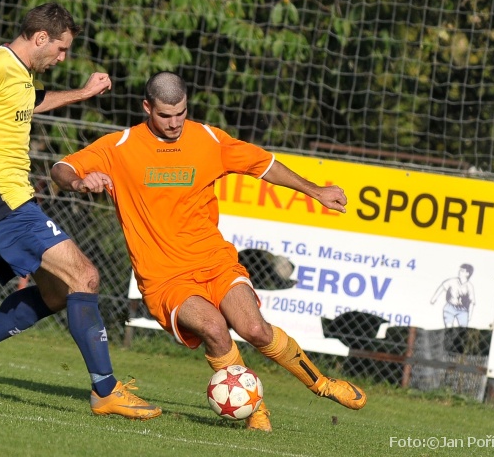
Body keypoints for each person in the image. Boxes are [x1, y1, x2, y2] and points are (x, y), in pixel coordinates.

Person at [50, 71, 367, 432]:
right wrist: (79, 180)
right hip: (165, 278)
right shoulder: (118, 147)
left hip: (214, 261)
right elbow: (61, 167)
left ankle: (323, 384)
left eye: (181, 113)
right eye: (165, 115)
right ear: (147, 108)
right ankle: (256, 409)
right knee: (214, 328)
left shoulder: (209, 139)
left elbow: (264, 165)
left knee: (255, 329)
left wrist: (316, 191)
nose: (174, 123)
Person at [0, 3, 160, 420]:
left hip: (12, 198)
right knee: (85, 276)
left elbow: (32, 102)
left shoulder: (22, 75)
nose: (62, 58)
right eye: (61, 49)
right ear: (41, 38)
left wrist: (82, 93)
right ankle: (105, 390)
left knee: (57, 293)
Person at [430, 263, 476, 328]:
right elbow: (442, 287)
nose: (459, 272)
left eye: (462, 271)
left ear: (467, 274)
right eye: (460, 270)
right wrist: (433, 299)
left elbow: (472, 302)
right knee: (449, 328)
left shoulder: (469, 286)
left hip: (463, 310)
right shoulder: (452, 281)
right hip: (450, 307)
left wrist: (470, 315)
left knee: (463, 329)